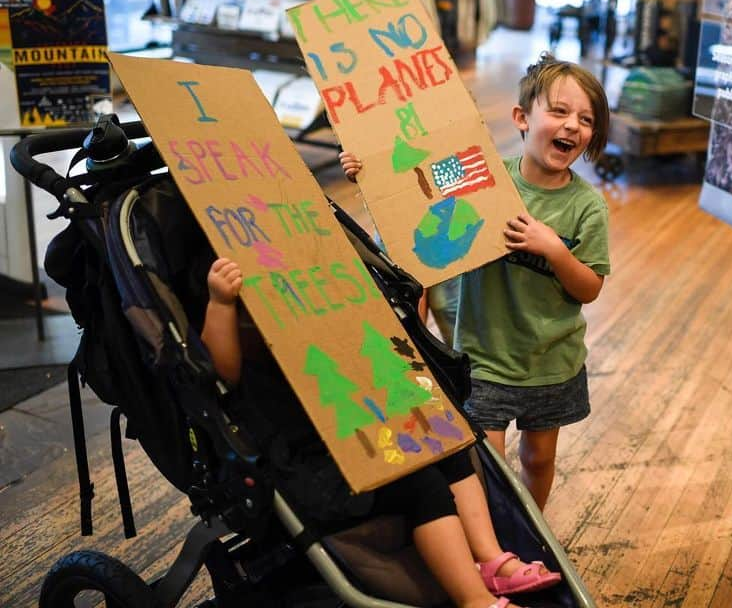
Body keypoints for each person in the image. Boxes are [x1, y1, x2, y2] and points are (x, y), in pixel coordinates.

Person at [201, 258, 561, 607]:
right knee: (423, 485)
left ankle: (490, 557)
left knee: (449, 444)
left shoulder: (317, 312)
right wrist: (221, 304)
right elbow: (222, 372)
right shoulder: (245, 342)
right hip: (317, 467)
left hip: (370, 432)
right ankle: (475, 600)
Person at [340, 52, 611, 510]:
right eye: (560, 111)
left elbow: (589, 288)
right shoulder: (483, 174)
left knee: (540, 459)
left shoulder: (587, 208)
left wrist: (556, 250)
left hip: (551, 361)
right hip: (482, 356)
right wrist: (367, 168)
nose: (572, 126)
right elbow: (415, 180)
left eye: (586, 119)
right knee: (487, 463)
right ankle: (497, 543)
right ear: (522, 118)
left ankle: (534, 534)